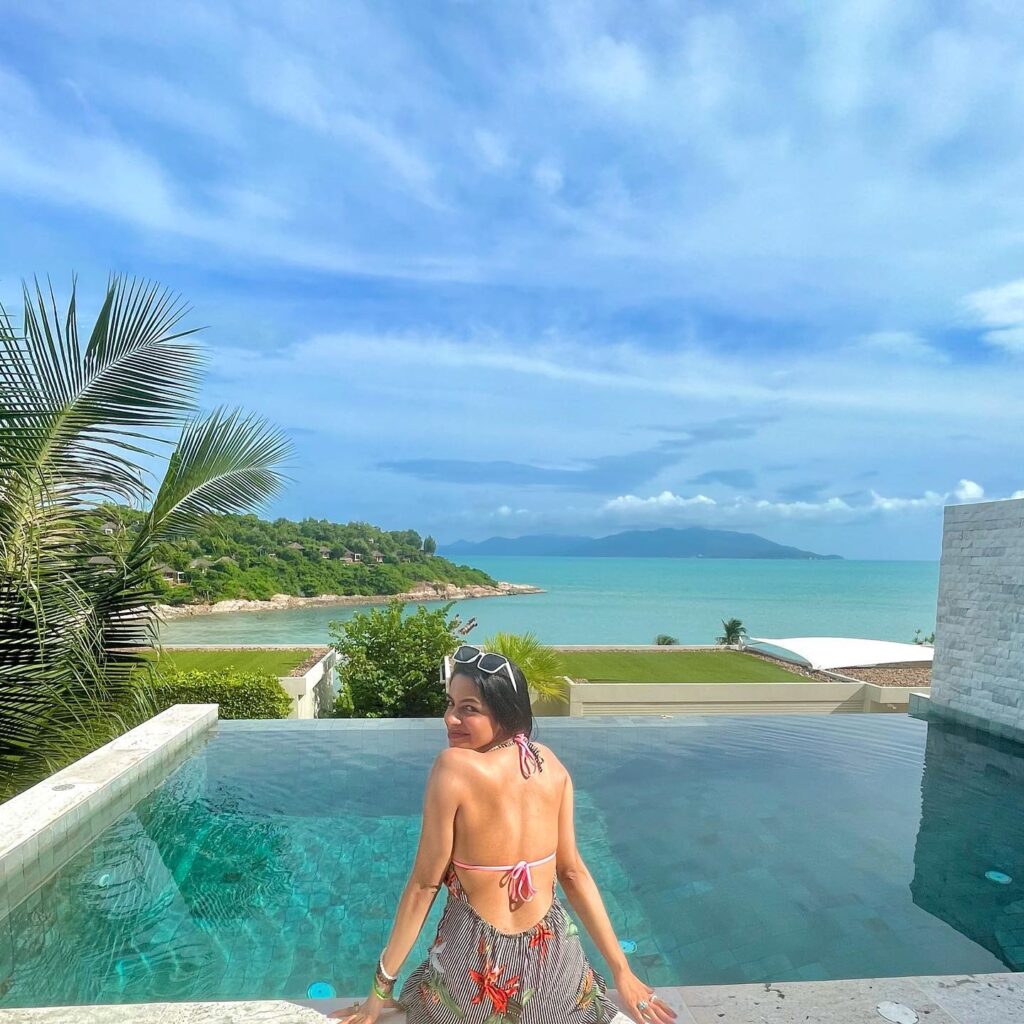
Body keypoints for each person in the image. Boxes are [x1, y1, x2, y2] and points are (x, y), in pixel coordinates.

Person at [332, 645, 675, 1024]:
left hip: (477, 985)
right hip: (556, 984)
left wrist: (379, 991)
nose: (450, 719)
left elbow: (423, 888)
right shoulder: (551, 766)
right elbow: (573, 874)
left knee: (426, 988)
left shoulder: (455, 768)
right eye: (450, 704)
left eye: (469, 709)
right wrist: (622, 972)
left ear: (506, 713)